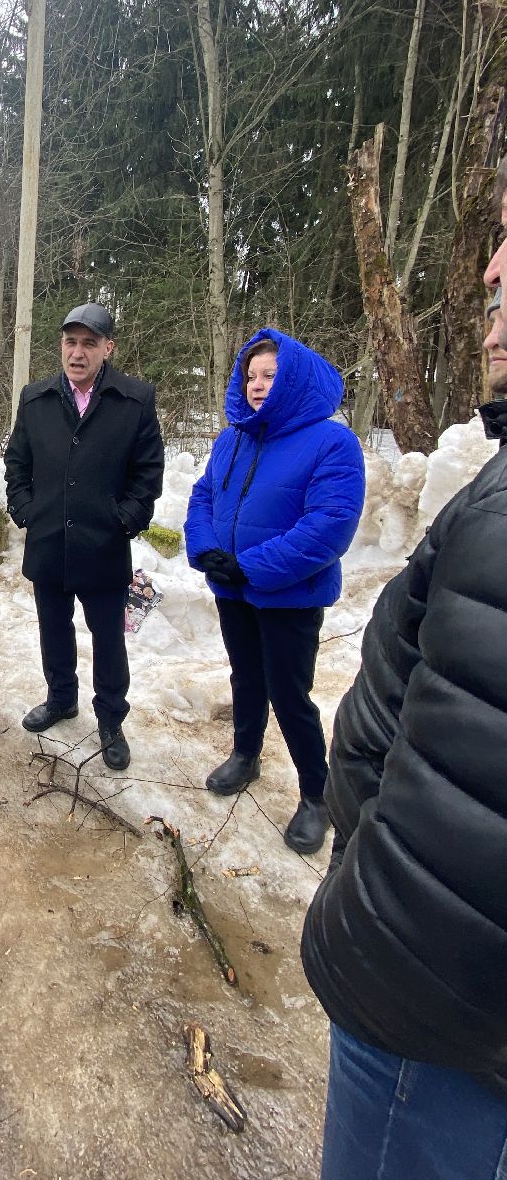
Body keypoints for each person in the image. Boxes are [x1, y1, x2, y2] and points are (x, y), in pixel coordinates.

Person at [299, 180, 507, 1180]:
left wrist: (373, 877)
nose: (492, 277)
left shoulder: (331, 441)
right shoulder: (496, 484)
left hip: (434, 1003)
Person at [184, 330, 365, 854]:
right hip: (234, 589)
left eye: (270, 376)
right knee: (245, 676)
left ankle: (317, 795)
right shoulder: (232, 438)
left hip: (289, 596)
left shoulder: (332, 442)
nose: (258, 386)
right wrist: (206, 549)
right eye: (252, 376)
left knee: (288, 693)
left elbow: (330, 525)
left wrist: (251, 566)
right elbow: (202, 496)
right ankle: (246, 754)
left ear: (294, 381)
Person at [4, 303, 164, 770]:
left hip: (104, 547)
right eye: (70, 342)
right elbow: (17, 463)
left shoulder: (134, 400)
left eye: (89, 343)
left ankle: (111, 719)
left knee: (107, 638)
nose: (78, 352)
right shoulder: (35, 399)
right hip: (49, 543)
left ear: (107, 348)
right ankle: (60, 699)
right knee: (54, 630)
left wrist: (124, 520)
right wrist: (26, 509)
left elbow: (148, 472)